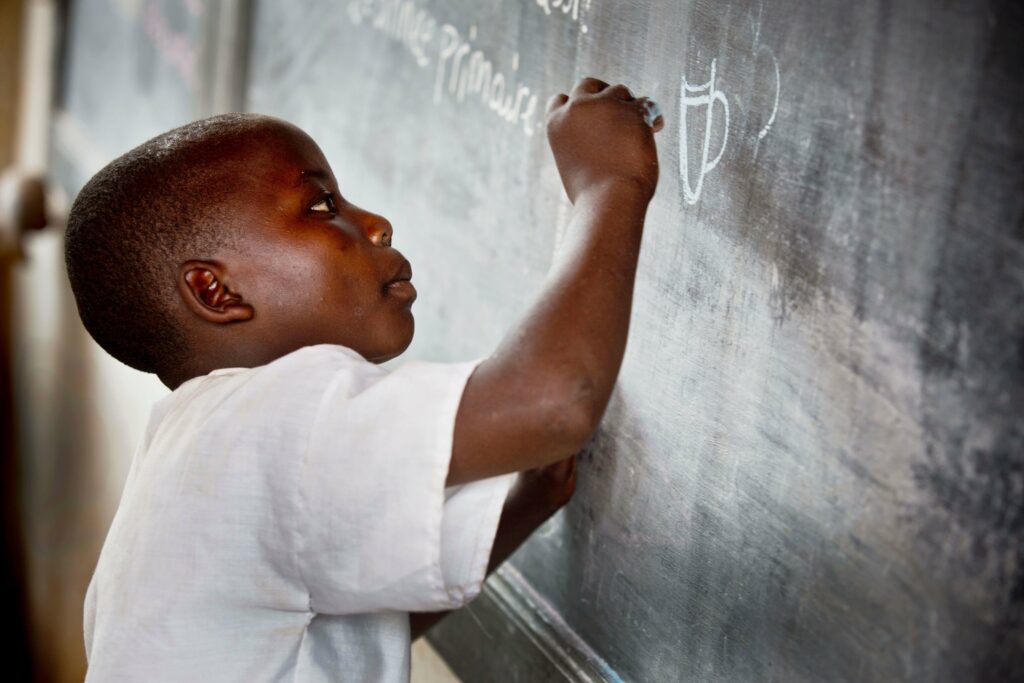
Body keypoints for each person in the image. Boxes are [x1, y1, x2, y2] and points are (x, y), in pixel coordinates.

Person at [66, 76, 663, 682]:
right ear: (215, 291)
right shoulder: (269, 419)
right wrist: (610, 184)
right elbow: (556, 402)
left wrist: (523, 505)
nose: (377, 224)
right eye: (324, 207)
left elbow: (335, 641)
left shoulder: (192, 450)